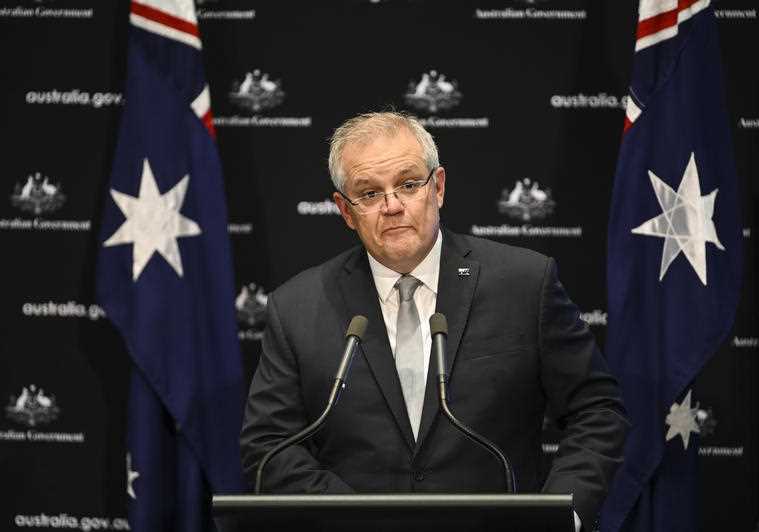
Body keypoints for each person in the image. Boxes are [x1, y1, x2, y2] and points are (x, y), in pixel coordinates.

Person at [240, 111, 628, 530]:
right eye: (369, 193)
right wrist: (351, 517)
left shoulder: (523, 283)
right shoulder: (297, 307)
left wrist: (559, 513)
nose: (392, 206)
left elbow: (596, 411)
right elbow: (269, 445)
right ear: (346, 211)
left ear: (437, 188)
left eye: (408, 185)